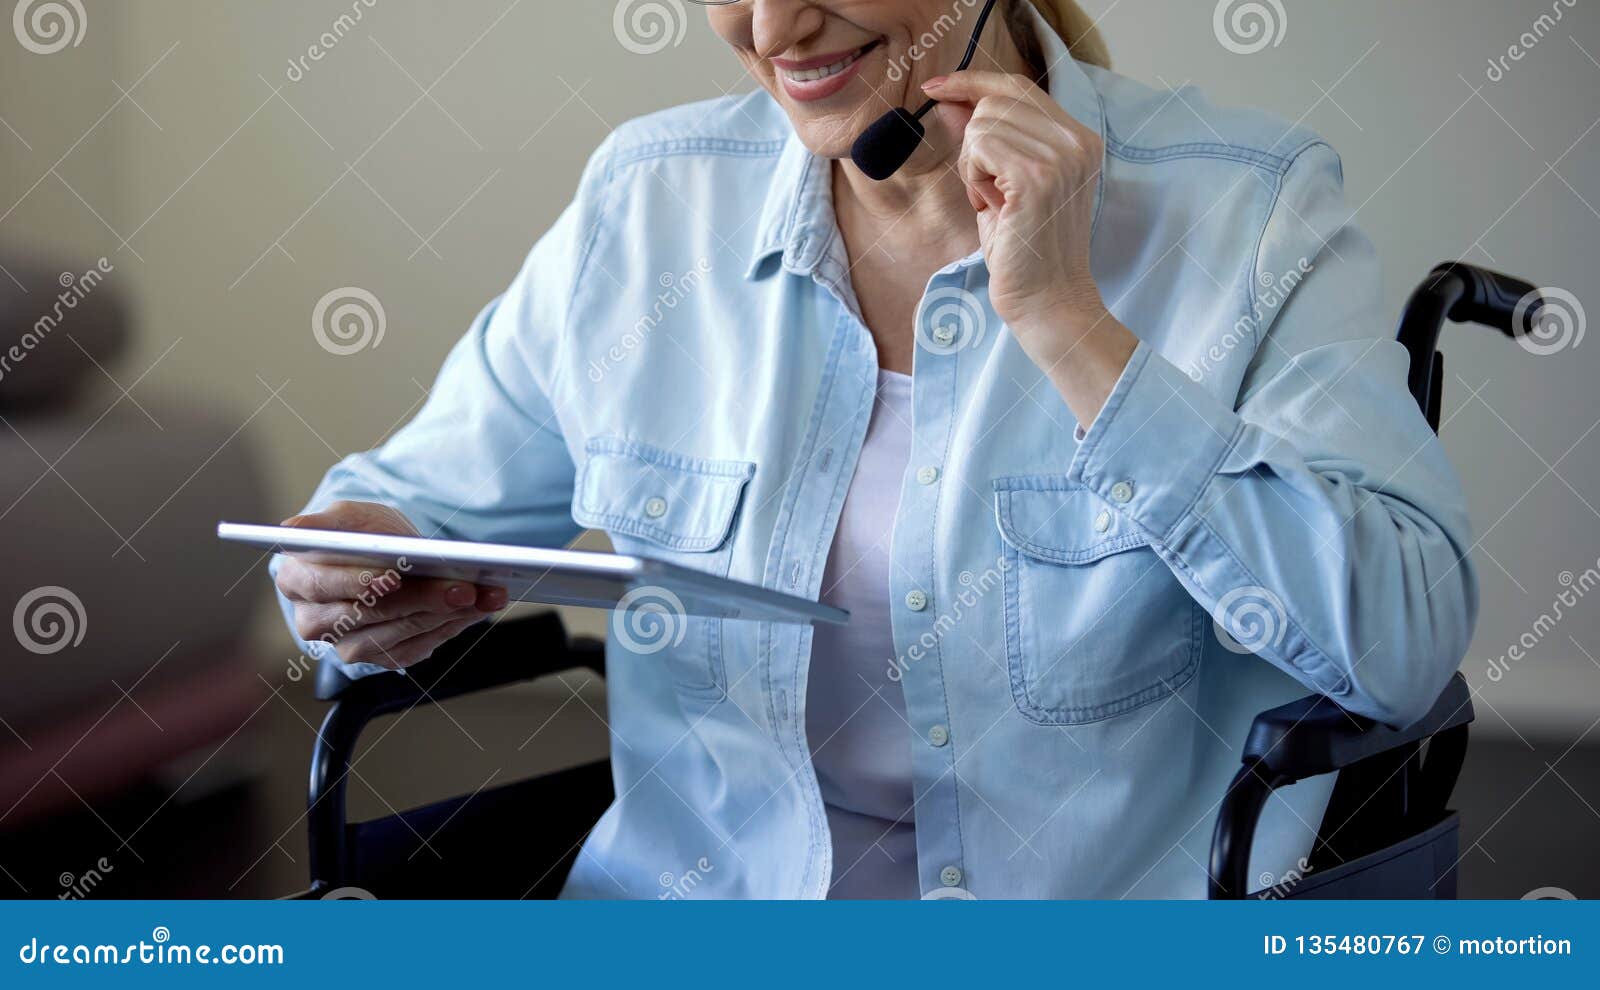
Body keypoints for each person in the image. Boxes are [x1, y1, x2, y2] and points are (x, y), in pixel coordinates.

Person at [273, 0, 1477, 899]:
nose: (773, 26)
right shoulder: (650, 202)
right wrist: (360, 567)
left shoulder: (1247, 209)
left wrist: (1070, 324)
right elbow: (407, 505)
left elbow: (1401, 645)